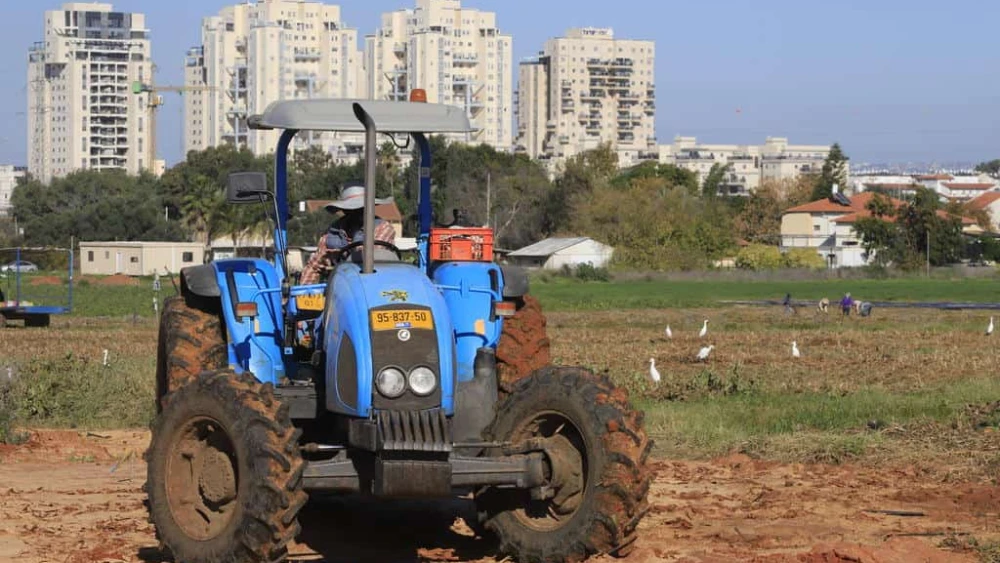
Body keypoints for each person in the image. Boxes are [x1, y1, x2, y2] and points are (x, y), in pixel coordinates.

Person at [299, 182, 397, 285]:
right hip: (341, 288)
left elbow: (371, 256)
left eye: (360, 208)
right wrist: (304, 293)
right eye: (350, 209)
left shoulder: (382, 228)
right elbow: (315, 265)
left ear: (369, 208)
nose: (355, 213)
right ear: (344, 210)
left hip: (375, 285)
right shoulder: (332, 233)